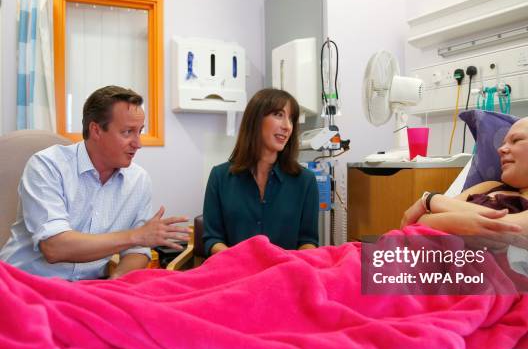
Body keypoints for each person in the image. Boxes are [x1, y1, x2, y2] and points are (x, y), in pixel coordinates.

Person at [0, 86, 190, 280]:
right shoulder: (47, 166)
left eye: (139, 131)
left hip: (88, 290)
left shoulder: (138, 180)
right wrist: (137, 236)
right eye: (127, 132)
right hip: (22, 284)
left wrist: (115, 284)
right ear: (96, 130)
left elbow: (137, 251)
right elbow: (54, 247)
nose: (138, 143)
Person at [400, 115, 528, 241]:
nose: (501, 149)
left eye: (516, 140)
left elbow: (508, 232)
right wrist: (457, 222)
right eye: (502, 142)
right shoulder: (488, 187)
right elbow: (412, 224)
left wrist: (432, 201)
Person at [203, 88, 319, 257]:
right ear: (255, 120)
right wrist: (240, 262)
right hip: (237, 275)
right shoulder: (219, 177)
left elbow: (308, 241)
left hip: (286, 276)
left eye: (291, 119)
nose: (287, 126)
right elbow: (212, 239)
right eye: (279, 115)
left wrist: (288, 266)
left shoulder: (305, 181)